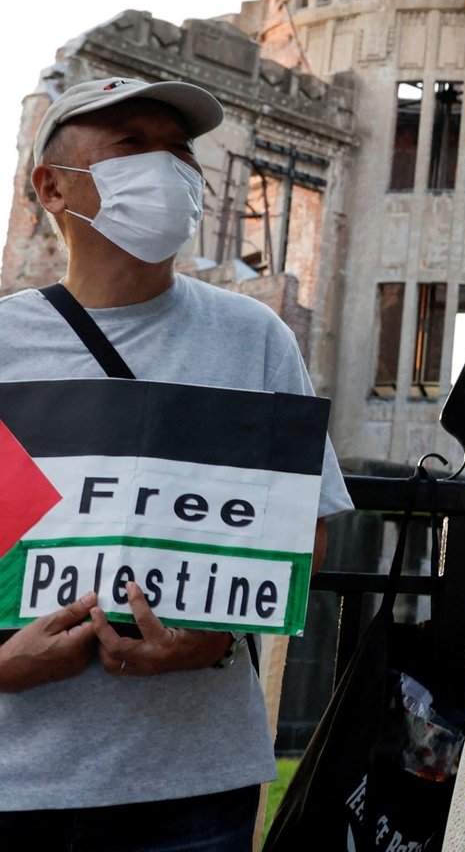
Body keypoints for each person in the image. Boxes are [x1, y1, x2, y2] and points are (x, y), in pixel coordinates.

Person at [0, 75, 352, 852]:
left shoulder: (254, 338)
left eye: (181, 150)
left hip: (194, 783)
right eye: (132, 144)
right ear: (52, 187)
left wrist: (217, 637)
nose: (168, 167)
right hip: (15, 777)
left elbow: (303, 535)